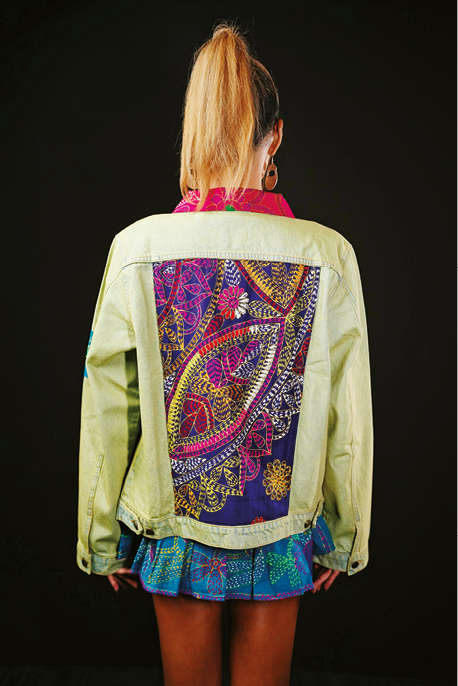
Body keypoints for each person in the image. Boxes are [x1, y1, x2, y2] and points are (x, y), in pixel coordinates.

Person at [77, 20, 374, 686]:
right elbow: (348, 413)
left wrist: (100, 538)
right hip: (282, 528)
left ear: (195, 131)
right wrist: (346, 534)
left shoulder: (136, 249)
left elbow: (109, 402)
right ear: (275, 137)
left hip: (172, 530)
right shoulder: (327, 255)